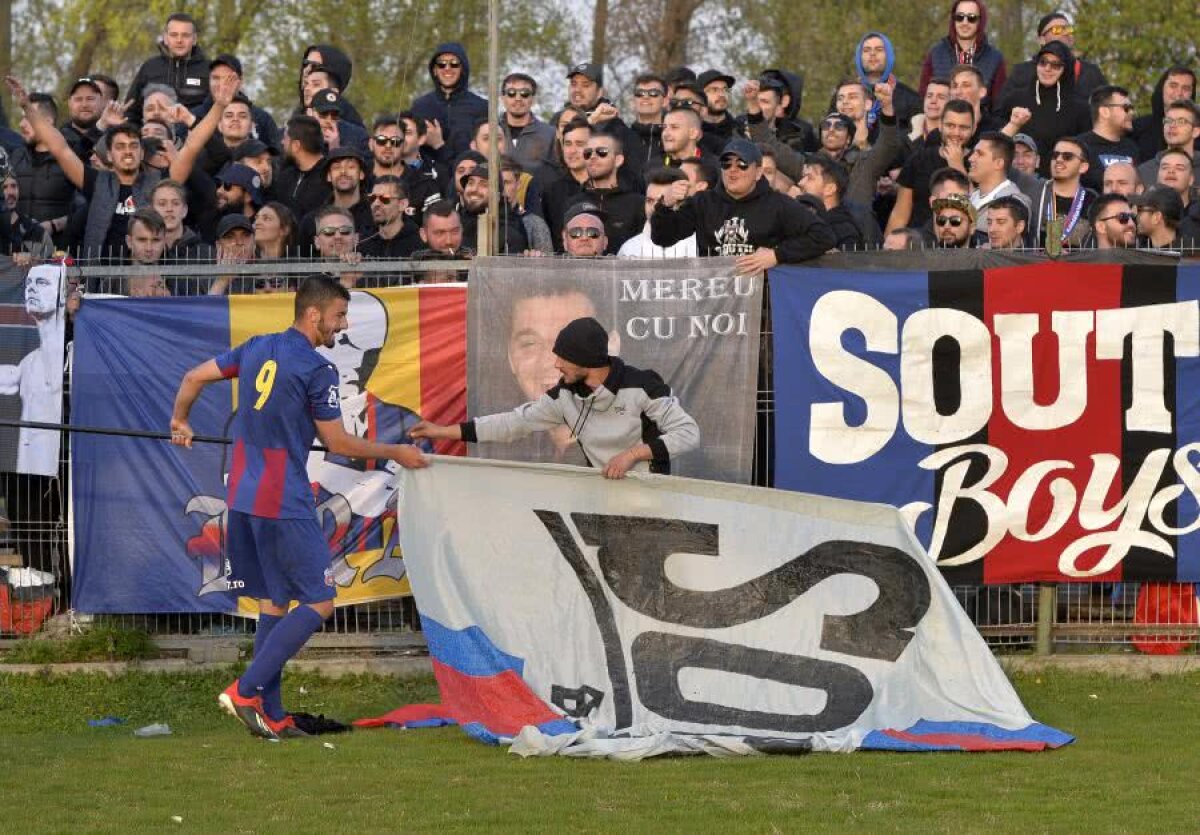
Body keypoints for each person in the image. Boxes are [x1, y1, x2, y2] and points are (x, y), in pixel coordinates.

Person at [170, 276, 427, 740]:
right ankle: (246, 691)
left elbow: (191, 377)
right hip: (282, 498)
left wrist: (180, 420)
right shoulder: (316, 368)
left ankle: (272, 714)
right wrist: (398, 452)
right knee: (321, 601)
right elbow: (336, 442)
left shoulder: (255, 347)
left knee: (275, 601)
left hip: (243, 498)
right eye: (338, 316)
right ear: (314, 315)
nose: (341, 326)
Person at [411, 316, 698, 478]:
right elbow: (511, 424)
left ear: (586, 360)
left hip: (652, 494)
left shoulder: (643, 385)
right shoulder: (564, 396)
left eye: (563, 357)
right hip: (602, 494)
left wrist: (631, 456)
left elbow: (688, 433)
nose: (556, 364)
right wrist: (442, 431)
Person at [650, 137, 836, 271]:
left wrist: (776, 255)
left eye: (742, 165)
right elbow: (663, 238)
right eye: (726, 164)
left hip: (763, 306)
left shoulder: (779, 204)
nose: (733, 171)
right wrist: (665, 205)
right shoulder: (703, 202)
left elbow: (824, 236)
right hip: (714, 305)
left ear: (758, 172)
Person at [0, 263, 63, 476]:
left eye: (42, 282)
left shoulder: (74, 350)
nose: (32, 289)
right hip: (28, 472)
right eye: (28, 284)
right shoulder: (28, 363)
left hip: (62, 467)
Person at [918, 1, 1007, 103]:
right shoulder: (936, 53)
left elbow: (999, 108)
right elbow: (922, 98)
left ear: (980, 22)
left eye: (971, 18)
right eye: (960, 17)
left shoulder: (995, 58)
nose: (965, 22)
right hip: (942, 118)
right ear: (953, 20)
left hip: (980, 118)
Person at [410, 43, 487, 158]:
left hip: (467, 173)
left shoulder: (481, 107)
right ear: (434, 70)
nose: (447, 68)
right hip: (429, 174)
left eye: (454, 63)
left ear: (463, 69)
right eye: (441, 64)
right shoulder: (420, 106)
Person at [127, 13, 210, 112]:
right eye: (174, 35)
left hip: (195, 126)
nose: (179, 40)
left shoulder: (209, 69)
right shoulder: (149, 68)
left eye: (185, 35)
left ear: (194, 39)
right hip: (156, 126)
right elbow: (131, 112)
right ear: (166, 38)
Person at [1028, 136, 1095, 247]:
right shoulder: (1034, 190)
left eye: (1067, 156)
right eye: (1055, 155)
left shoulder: (1092, 201)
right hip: (1035, 263)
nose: (1059, 159)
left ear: (1083, 167)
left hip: (1077, 263)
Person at [618, 167, 697, 258]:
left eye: (663, 201)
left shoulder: (699, 246)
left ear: (682, 203)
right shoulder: (629, 249)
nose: (655, 207)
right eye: (650, 200)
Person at [1076, 85, 1139, 193]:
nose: (1131, 113)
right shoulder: (1078, 147)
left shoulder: (1132, 147)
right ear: (1104, 112)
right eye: (1126, 108)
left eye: (1131, 108)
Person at [1133, 67, 1196, 163]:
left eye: (1186, 88)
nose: (1179, 93)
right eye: (1173, 86)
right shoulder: (1138, 128)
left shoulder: (1196, 132)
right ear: (1162, 88)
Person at [1137, 100, 1200, 188]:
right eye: (1168, 120)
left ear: (1195, 131)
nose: (1172, 125)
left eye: (1181, 121)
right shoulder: (1143, 172)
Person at [358, 176, 420, 259]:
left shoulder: (419, 243)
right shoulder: (362, 243)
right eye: (372, 198)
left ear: (402, 204)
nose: (376, 204)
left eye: (384, 199)